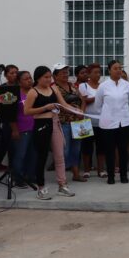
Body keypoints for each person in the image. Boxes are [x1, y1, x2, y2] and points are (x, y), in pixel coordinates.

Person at [23, 66, 77, 200]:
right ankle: (41, 188)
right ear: (38, 78)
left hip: (55, 123)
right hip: (41, 125)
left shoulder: (54, 89)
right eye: (45, 77)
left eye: (49, 77)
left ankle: (62, 185)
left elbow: (64, 104)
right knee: (41, 157)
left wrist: (77, 111)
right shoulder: (33, 92)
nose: (48, 80)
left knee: (60, 155)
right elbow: (27, 111)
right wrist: (45, 108)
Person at [95, 60, 129, 184]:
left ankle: (123, 175)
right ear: (109, 70)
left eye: (120, 68)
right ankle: (110, 176)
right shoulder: (103, 86)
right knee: (109, 151)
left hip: (124, 122)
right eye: (115, 68)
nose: (119, 70)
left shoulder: (127, 85)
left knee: (123, 150)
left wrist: (123, 114)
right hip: (108, 123)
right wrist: (109, 114)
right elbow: (98, 105)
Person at [52, 63, 86, 182]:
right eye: (62, 73)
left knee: (76, 149)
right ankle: (61, 176)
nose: (66, 75)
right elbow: (58, 105)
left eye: (66, 72)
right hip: (63, 122)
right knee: (64, 150)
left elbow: (83, 100)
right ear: (55, 76)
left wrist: (82, 112)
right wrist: (74, 111)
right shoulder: (53, 88)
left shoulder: (72, 86)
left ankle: (76, 174)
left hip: (78, 121)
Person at [10, 70, 36, 188]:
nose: (29, 80)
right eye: (26, 79)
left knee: (33, 154)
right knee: (21, 154)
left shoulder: (34, 92)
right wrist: (14, 129)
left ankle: (30, 177)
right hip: (21, 128)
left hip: (35, 128)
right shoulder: (15, 95)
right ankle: (18, 179)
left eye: (30, 78)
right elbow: (10, 114)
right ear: (19, 82)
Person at [79, 63, 105, 178]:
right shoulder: (83, 86)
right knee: (86, 147)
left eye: (99, 72)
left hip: (101, 121)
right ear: (89, 74)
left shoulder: (103, 86)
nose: (98, 75)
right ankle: (87, 170)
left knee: (101, 146)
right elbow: (85, 101)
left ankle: (101, 170)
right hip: (85, 121)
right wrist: (98, 97)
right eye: (95, 72)